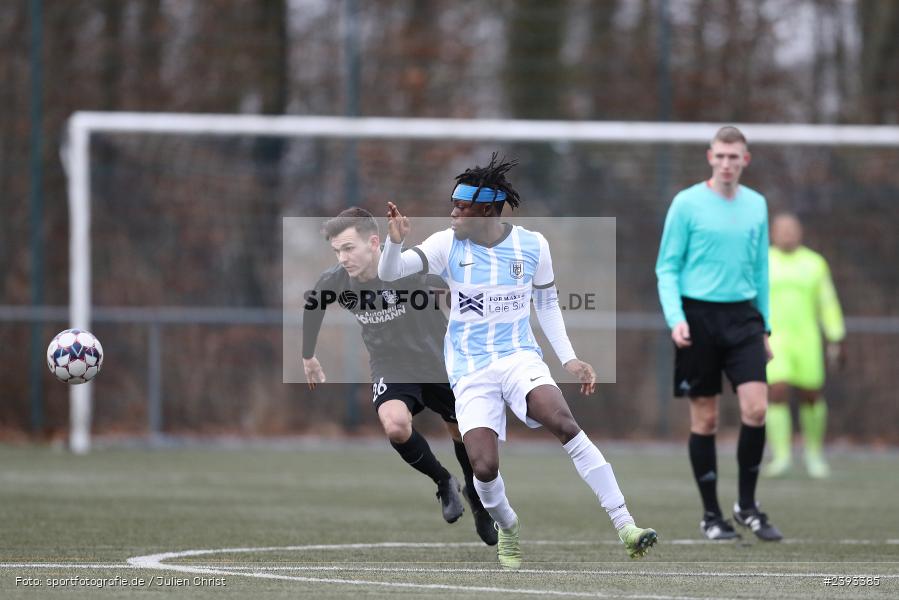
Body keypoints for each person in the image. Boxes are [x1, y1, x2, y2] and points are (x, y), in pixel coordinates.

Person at [378, 154, 657, 570]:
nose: (452, 212)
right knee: (484, 468)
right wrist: (395, 241)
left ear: (488, 210)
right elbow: (389, 273)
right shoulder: (446, 244)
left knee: (564, 422)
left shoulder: (532, 245)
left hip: (519, 357)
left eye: (462, 207)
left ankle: (626, 526)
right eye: (452, 204)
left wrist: (569, 358)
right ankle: (507, 525)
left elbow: (546, 302)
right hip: (471, 369)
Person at [303, 207, 497, 546]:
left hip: (438, 363)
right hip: (391, 367)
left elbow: (453, 285)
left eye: (348, 248)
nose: (342, 257)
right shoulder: (336, 280)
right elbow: (313, 306)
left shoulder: (406, 271)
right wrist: (308, 357)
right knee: (395, 426)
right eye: (337, 250)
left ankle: (477, 499)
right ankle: (442, 481)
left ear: (374, 242)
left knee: (463, 436)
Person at [655, 126, 783, 542]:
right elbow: (667, 267)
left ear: (746, 160)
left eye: (735, 157)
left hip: (744, 318)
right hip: (698, 317)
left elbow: (760, 270)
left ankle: (747, 506)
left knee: (756, 409)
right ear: (710, 157)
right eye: (721, 156)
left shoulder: (757, 205)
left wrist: (763, 324)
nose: (727, 163)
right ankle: (711, 515)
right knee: (706, 418)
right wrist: (676, 316)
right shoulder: (687, 203)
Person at [763, 213, 845, 479]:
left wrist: (836, 336)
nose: (787, 233)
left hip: (807, 338)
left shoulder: (814, 263)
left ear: (800, 233)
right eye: (781, 229)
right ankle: (782, 455)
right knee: (777, 390)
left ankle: (814, 454)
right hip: (774, 338)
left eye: (792, 229)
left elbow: (828, 302)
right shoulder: (762, 261)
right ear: (773, 233)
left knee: (811, 394)